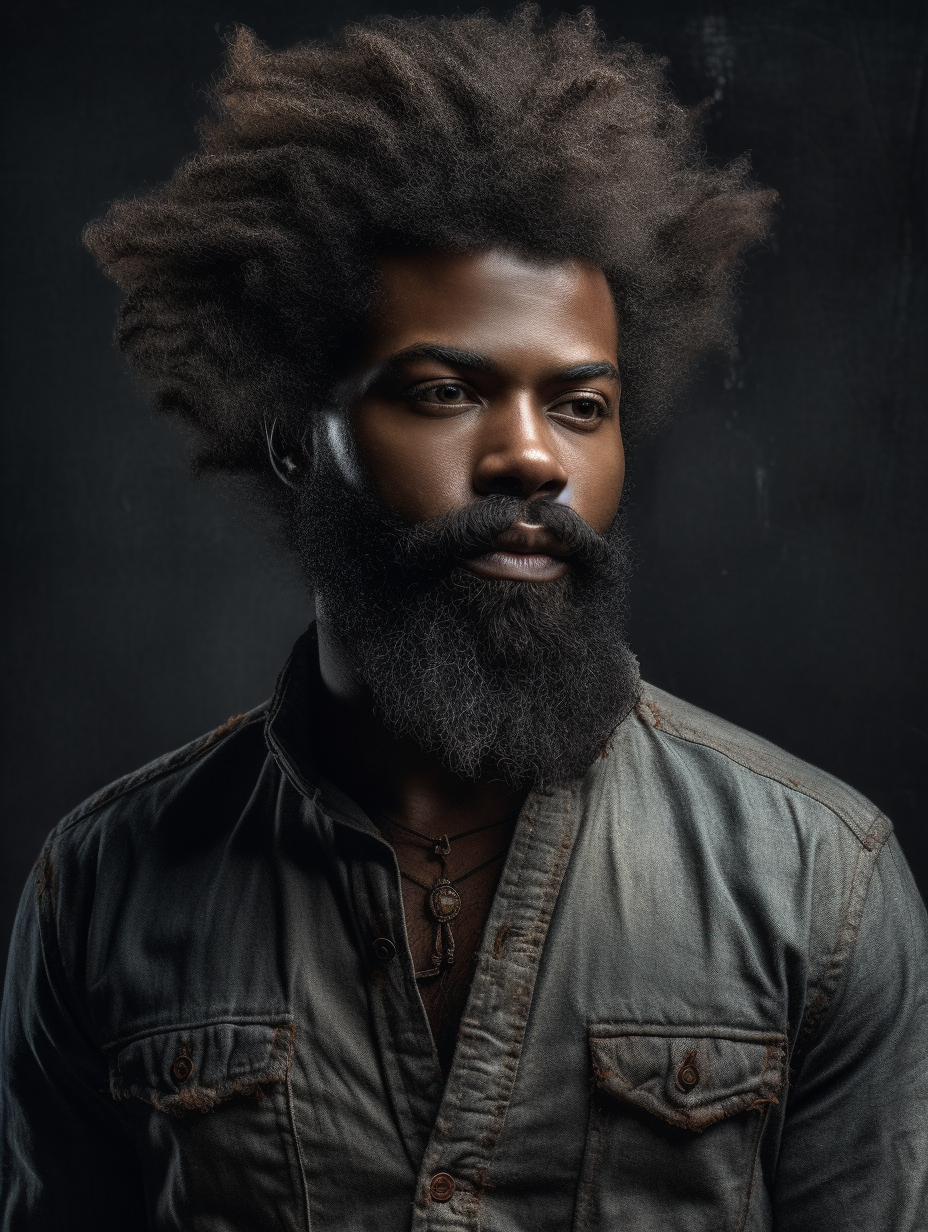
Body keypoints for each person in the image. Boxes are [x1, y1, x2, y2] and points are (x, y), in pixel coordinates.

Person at [2, 10, 926, 1230]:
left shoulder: (819, 880)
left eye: (582, 405)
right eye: (445, 391)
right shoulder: (105, 882)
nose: (531, 458)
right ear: (296, 437)